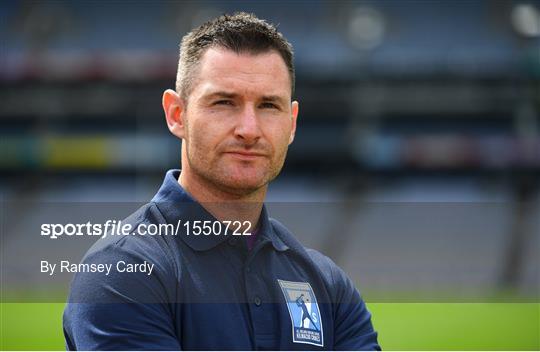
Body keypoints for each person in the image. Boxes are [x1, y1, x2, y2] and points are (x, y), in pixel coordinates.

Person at [63, 12, 380, 350]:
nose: (249, 129)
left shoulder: (326, 283)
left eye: (269, 105)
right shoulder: (122, 271)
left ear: (292, 122)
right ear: (176, 114)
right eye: (224, 102)